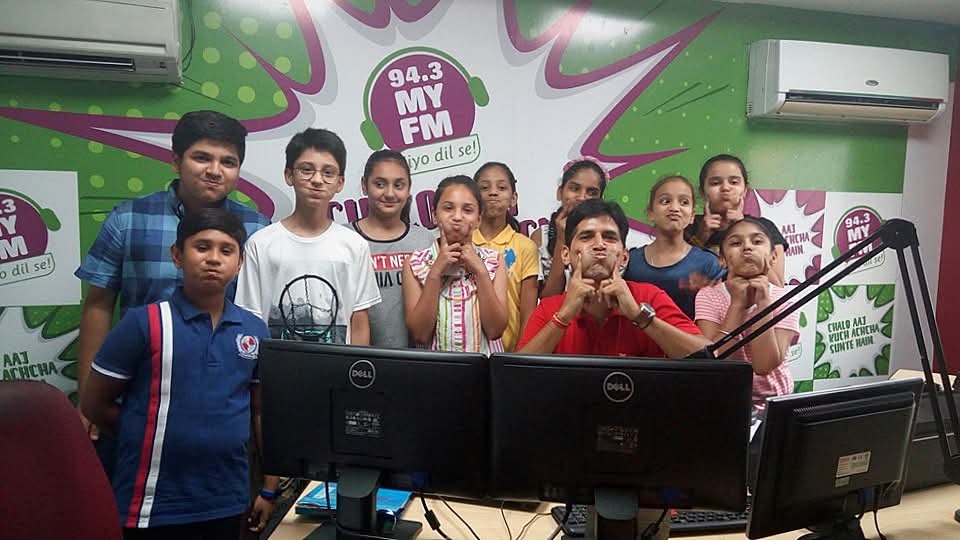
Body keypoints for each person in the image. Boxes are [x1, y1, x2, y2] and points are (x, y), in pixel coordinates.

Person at [74, 110, 270, 465]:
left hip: (223, 411)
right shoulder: (129, 219)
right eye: (202, 158)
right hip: (137, 401)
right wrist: (89, 398)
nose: (215, 170)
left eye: (228, 162)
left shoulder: (258, 231)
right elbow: (99, 305)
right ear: (176, 161)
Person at [80, 208, 273, 539]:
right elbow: (94, 403)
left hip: (226, 499)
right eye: (202, 247)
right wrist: (141, 430)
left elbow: (259, 412)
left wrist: (269, 487)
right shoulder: (144, 324)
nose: (214, 259)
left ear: (240, 263)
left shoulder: (254, 330)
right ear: (177, 256)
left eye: (226, 250)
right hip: (153, 503)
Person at [235, 128, 380, 345]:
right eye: (306, 170)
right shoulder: (261, 244)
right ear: (289, 175)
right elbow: (249, 319)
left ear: (340, 182)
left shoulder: (354, 245)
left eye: (328, 173)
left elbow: (359, 321)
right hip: (277, 363)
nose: (317, 180)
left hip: (338, 364)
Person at [517, 199, 710, 358]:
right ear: (565, 254)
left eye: (609, 237)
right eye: (586, 237)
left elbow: (706, 355)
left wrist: (638, 316)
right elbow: (516, 374)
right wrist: (563, 317)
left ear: (624, 256)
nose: (599, 245)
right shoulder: (549, 309)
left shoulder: (650, 297)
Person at [695, 216, 800, 418]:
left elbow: (763, 365)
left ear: (773, 257)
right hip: (723, 401)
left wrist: (763, 303)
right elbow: (713, 360)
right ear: (722, 259)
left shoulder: (785, 299)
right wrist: (737, 305)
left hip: (773, 405)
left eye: (757, 241)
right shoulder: (708, 296)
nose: (747, 247)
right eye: (736, 243)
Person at [402, 175, 508, 352]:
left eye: (467, 210)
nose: (457, 217)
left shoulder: (494, 261)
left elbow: (495, 331)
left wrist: (480, 271)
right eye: (448, 208)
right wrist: (435, 272)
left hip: (483, 367)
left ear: (478, 219)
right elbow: (420, 334)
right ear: (434, 215)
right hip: (437, 367)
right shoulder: (414, 264)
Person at [351, 150, 434, 348]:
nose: (389, 193)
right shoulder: (346, 239)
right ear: (364, 185)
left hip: (417, 358)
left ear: (409, 188)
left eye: (398, 185)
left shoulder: (424, 240)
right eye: (380, 184)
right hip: (361, 359)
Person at [624, 175, 724, 319]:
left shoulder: (708, 263)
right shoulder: (631, 261)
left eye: (684, 202)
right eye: (665, 201)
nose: (675, 208)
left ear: (692, 215)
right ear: (651, 213)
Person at [685, 154, 788, 285]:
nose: (725, 188)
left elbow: (777, 285)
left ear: (745, 190)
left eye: (734, 182)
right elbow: (681, 281)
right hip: (705, 298)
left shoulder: (764, 227)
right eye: (715, 183)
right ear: (702, 191)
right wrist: (701, 237)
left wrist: (742, 226)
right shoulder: (687, 226)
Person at [472, 162, 540, 351]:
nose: (493, 193)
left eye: (501, 188)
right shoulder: (464, 243)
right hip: (467, 351)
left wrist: (520, 356)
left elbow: (528, 312)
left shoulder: (525, 247)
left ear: (513, 198)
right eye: (484, 188)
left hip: (508, 352)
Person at [533, 158, 607, 298]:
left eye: (592, 192)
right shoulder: (541, 237)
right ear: (560, 192)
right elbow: (548, 297)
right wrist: (561, 238)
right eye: (574, 188)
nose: (582, 197)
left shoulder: (606, 238)